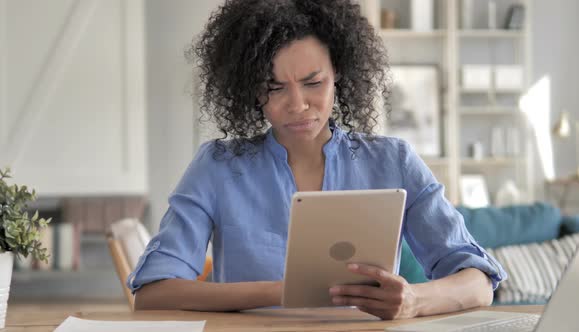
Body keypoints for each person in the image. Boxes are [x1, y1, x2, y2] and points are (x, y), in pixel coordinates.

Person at [128, 0, 506, 320]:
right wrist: (283, 291)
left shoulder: (393, 160)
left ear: (338, 74)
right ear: (248, 89)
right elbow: (153, 293)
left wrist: (413, 300)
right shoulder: (218, 166)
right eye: (274, 88)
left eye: (313, 83)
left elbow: (478, 282)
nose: (297, 105)